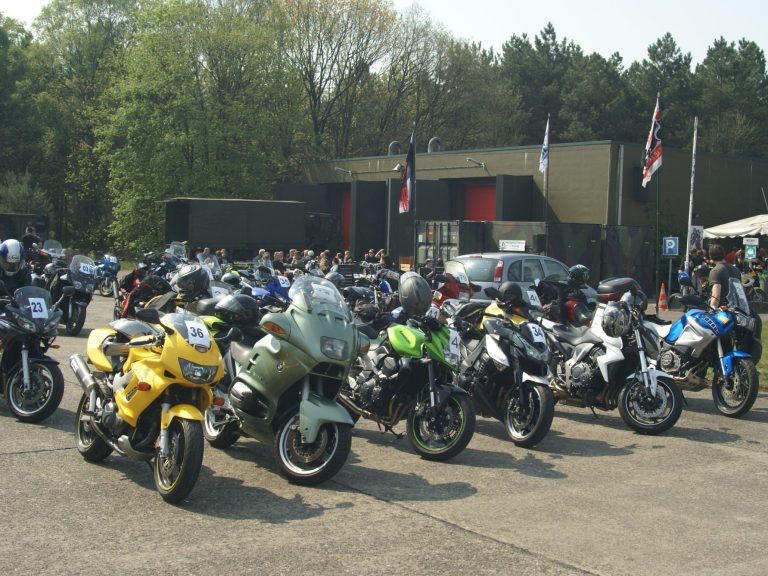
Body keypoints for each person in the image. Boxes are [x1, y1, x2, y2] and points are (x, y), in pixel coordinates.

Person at [708, 243, 741, 308]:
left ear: (711, 256)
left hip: (722, 310)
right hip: (736, 309)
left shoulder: (716, 271)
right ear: (723, 254)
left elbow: (716, 295)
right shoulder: (736, 270)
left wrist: (711, 311)